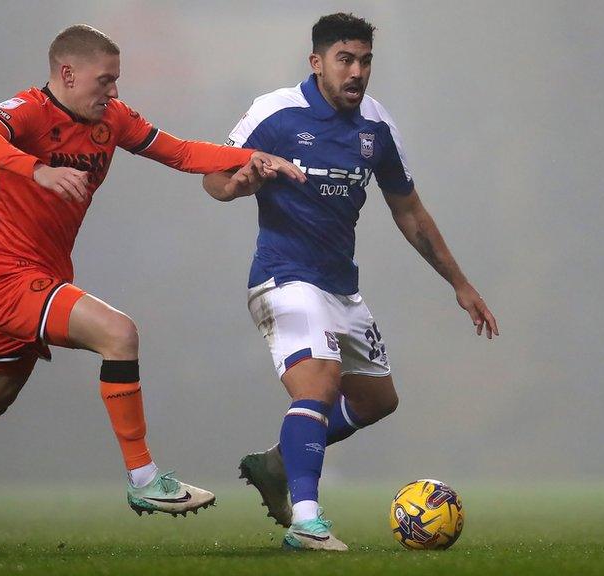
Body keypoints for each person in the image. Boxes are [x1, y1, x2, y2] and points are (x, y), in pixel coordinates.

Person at [0, 24, 305, 549]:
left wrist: (253, 158)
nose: (115, 92)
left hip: (45, 278)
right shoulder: (29, 111)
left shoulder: (113, 120)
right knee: (120, 335)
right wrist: (36, 170)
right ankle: (145, 480)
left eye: (117, 80)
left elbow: (180, 152)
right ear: (67, 73)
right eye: (106, 80)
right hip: (7, 278)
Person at [202, 13, 498, 551]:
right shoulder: (275, 113)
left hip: (340, 287)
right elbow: (214, 178)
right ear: (317, 63)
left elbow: (409, 213)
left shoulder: (377, 127)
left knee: (377, 400)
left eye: (365, 61)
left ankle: (275, 463)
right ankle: (307, 522)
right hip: (283, 277)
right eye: (345, 59)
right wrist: (241, 180)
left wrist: (460, 283)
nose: (356, 71)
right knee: (318, 383)